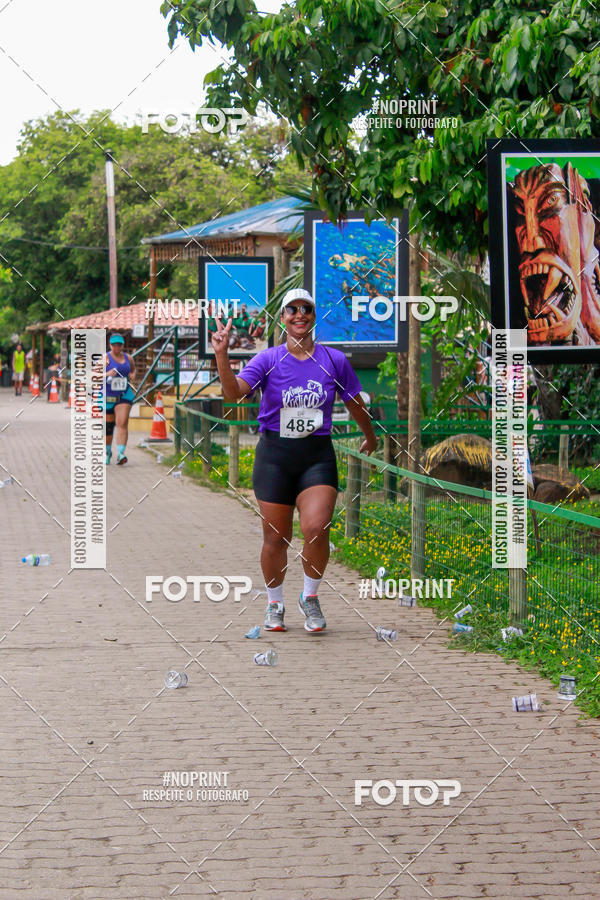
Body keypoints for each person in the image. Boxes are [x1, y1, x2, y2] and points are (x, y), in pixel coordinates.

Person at [212, 287, 377, 634]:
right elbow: (234, 395)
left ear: (314, 317)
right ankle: (274, 603)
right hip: (274, 456)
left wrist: (370, 436)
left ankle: (310, 597)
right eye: (292, 309)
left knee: (316, 528)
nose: (300, 314)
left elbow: (355, 403)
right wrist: (222, 355)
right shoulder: (269, 359)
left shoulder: (334, 361)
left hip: (316, 456)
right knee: (276, 538)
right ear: (283, 317)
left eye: (306, 309)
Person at [104, 333, 136, 465]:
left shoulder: (128, 357)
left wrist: (133, 375)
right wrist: (106, 373)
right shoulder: (105, 358)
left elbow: (133, 370)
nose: (117, 347)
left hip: (124, 394)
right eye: (114, 345)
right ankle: (107, 452)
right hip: (108, 395)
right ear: (110, 345)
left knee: (122, 422)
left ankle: (121, 453)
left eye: (119, 344)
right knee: (109, 427)